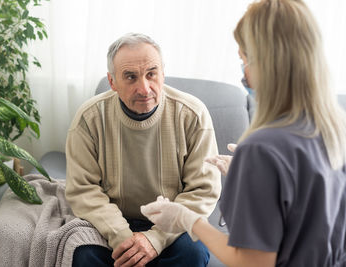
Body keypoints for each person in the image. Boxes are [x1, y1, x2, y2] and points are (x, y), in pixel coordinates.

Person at [141, 0, 346, 266]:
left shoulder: (262, 148)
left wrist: (188, 219)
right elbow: (307, 211)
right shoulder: (334, 129)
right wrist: (251, 175)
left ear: (267, 61)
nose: (244, 72)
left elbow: (252, 262)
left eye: (243, 59)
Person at [65, 33, 221, 267]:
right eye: (130, 77)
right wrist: (125, 239)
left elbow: (203, 191)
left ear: (163, 73)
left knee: (194, 254)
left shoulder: (193, 114)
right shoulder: (89, 118)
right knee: (83, 255)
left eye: (151, 74)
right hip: (110, 222)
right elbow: (83, 190)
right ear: (112, 82)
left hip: (174, 224)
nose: (144, 88)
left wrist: (156, 239)